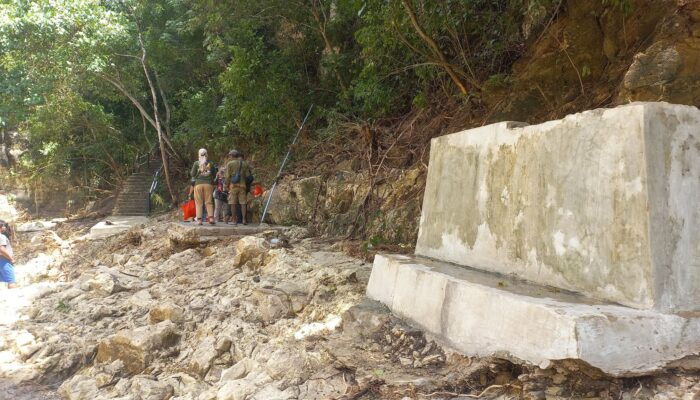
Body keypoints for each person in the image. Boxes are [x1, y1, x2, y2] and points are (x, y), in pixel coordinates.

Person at [225, 149, 253, 225]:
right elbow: (248, 176)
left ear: (231, 156)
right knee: (243, 203)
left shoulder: (229, 164)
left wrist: (226, 185)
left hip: (233, 186)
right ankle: (244, 220)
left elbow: (227, 177)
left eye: (229, 156)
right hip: (243, 186)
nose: (229, 157)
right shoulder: (244, 164)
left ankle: (234, 220)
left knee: (233, 203)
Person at [190, 148, 217, 225]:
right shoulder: (210, 163)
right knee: (209, 201)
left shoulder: (196, 163)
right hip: (208, 184)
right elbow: (214, 174)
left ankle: (199, 220)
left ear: (199, 154)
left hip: (198, 184)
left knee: (199, 202)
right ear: (206, 154)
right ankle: (211, 218)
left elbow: (192, 174)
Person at [0, 220, 16, 289]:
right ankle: (12, 297)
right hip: (4, 260)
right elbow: (1, 249)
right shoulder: (1, 237)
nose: (5, 227)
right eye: (3, 226)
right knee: (11, 280)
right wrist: (11, 259)